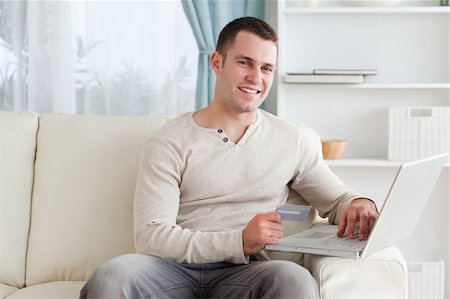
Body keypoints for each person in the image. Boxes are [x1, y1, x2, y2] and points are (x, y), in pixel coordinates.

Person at [80, 16, 378, 299]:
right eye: (244, 63)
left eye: (266, 68)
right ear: (217, 62)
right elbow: (151, 236)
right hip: (170, 271)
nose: (255, 77)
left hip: (247, 273)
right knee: (112, 276)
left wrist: (360, 204)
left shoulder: (291, 139)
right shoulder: (168, 141)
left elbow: (337, 200)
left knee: (293, 279)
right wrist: (238, 241)